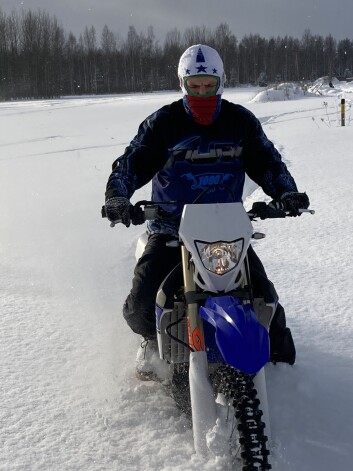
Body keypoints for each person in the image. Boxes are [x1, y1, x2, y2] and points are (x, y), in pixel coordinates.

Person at [104, 44, 310, 380]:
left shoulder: (239, 122)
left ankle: (282, 377)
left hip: (226, 232)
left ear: (220, 83)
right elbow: (131, 163)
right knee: (142, 304)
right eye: (195, 85)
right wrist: (118, 196)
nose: (202, 93)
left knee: (264, 296)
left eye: (209, 85)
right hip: (171, 229)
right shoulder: (163, 124)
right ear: (183, 84)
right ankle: (150, 340)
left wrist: (286, 192)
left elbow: (267, 160)